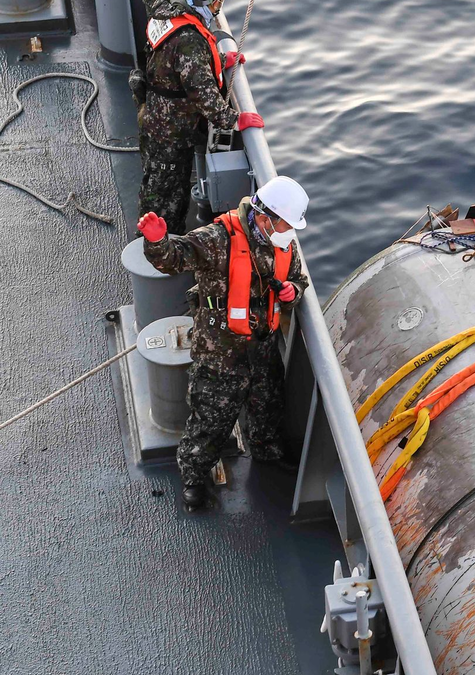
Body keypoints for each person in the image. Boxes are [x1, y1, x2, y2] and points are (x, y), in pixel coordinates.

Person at [138, 176, 310, 509]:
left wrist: (293, 291)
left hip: (261, 346)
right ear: (264, 217)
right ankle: (194, 474)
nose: (289, 232)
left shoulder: (283, 242)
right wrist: (158, 242)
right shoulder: (217, 239)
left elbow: (297, 279)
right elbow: (175, 258)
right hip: (220, 352)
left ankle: (267, 451)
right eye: (286, 224)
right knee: (209, 419)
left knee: (267, 406)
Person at [138, 0, 263, 235]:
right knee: (167, 197)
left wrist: (213, 60)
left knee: (156, 181)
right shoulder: (189, 39)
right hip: (169, 132)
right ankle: (157, 244)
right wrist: (235, 120)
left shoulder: (167, 10)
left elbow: (178, 62)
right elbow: (202, 93)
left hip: (157, 116)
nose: (218, 6)